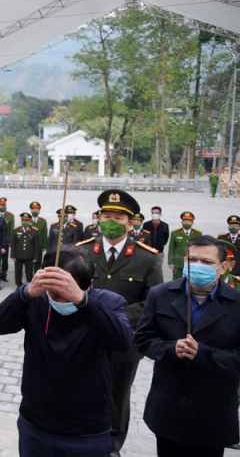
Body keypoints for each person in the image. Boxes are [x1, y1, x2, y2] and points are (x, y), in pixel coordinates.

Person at [0, 246, 133, 457]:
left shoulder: (110, 302)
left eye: (67, 296)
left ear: (89, 284)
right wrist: (25, 294)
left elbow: (123, 342)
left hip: (87, 430)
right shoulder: (37, 297)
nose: (58, 301)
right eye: (54, 295)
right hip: (35, 422)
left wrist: (83, 302)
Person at [75, 189, 162, 456]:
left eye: (118, 217)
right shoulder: (83, 251)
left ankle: (113, 444)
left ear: (131, 222)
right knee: (80, 388)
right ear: (99, 218)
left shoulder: (148, 257)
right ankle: (79, 433)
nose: (111, 221)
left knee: (117, 396)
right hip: (83, 337)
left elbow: (153, 301)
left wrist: (112, 314)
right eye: (106, 215)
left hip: (124, 342)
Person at [136, 235, 240, 456]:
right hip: (168, 408)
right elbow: (143, 339)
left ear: (223, 267)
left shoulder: (236, 302)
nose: (197, 266)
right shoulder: (160, 294)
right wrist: (170, 349)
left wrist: (203, 354)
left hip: (213, 412)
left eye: (207, 262)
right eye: (192, 260)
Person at [169, 212, 202, 280]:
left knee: (191, 280)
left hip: (192, 262)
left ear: (192, 223)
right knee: (176, 280)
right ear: (182, 222)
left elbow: (200, 249)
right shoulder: (175, 233)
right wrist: (171, 262)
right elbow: (171, 248)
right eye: (185, 221)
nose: (187, 223)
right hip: (178, 262)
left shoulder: (197, 233)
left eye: (189, 221)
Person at [10, 213, 40, 286]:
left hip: (29, 255)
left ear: (30, 221)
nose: (25, 222)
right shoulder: (16, 230)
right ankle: (18, 284)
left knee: (29, 272)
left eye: (27, 221)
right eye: (23, 220)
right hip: (18, 255)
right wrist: (13, 255)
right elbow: (13, 244)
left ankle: (28, 285)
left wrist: (36, 257)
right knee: (18, 271)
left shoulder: (34, 231)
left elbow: (36, 245)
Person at [142, 206, 169, 283]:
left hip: (159, 251)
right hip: (147, 251)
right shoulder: (146, 225)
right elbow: (144, 237)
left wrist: (161, 245)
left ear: (160, 214)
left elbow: (166, 238)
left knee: (158, 269)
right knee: (146, 269)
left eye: (157, 213)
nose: (155, 214)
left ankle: (158, 284)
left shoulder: (164, 225)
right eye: (153, 213)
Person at [0, 197, 14, 282]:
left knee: (4, 259)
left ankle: (3, 274)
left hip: (5, 241)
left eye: (4, 205)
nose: (3, 206)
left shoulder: (10, 216)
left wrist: (10, 241)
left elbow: (11, 229)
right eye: (1, 205)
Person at [29, 201, 48, 273]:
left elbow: (44, 233)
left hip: (39, 246)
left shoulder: (42, 221)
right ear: (31, 210)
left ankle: (37, 274)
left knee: (38, 262)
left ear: (39, 211)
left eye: (37, 210)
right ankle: (30, 277)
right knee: (29, 263)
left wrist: (44, 245)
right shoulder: (28, 220)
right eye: (33, 210)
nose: (35, 211)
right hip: (29, 246)